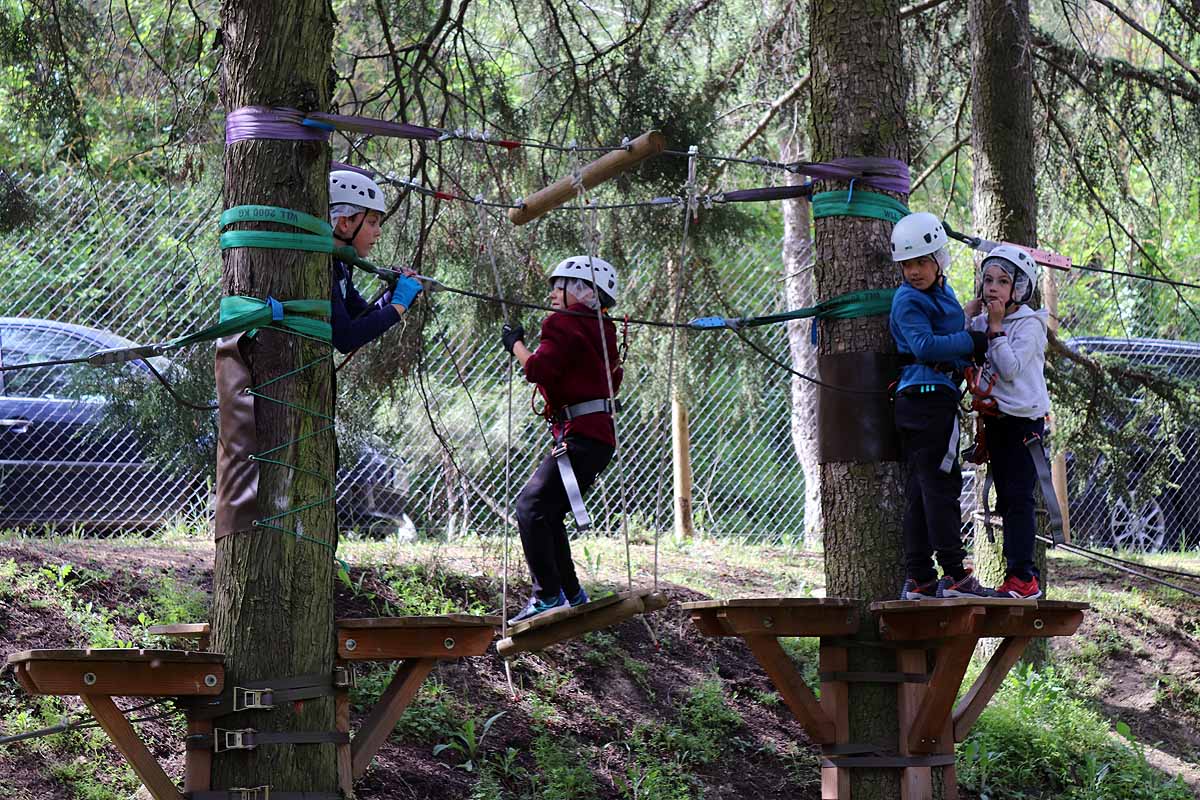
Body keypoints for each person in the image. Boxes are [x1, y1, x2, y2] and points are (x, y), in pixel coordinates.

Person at [499, 256, 623, 624]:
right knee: (548, 512)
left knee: (529, 506)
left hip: (582, 434)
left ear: (584, 292)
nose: (553, 292)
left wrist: (516, 344)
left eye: (562, 285)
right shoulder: (603, 327)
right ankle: (571, 592)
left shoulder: (563, 322)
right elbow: (611, 381)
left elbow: (538, 369)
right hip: (596, 437)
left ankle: (548, 595)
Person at [889, 211, 994, 599]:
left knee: (922, 488)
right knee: (941, 487)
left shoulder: (940, 294)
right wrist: (971, 343)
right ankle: (954, 572)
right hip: (926, 401)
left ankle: (920, 577)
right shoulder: (908, 300)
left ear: (939, 258)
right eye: (907, 265)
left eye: (921, 262)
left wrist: (968, 326)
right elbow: (924, 346)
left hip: (931, 397)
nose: (914, 271)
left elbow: (945, 333)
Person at [963, 246, 1051, 599]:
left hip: (1023, 424)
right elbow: (962, 344)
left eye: (1003, 281)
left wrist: (996, 329)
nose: (993, 288)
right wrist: (965, 317)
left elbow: (1011, 369)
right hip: (997, 421)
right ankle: (1013, 576)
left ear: (1020, 289)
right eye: (988, 280)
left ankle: (1023, 577)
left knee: (1018, 498)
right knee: (1005, 499)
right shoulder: (984, 322)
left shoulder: (1031, 324)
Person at [328, 169, 423, 354]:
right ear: (344, 222)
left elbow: (363, 315)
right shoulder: (324, 269)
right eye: (372, 222)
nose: (378, 231)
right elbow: (345, 338)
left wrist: (393, 297)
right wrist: (397, 307)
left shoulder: (340, 266)